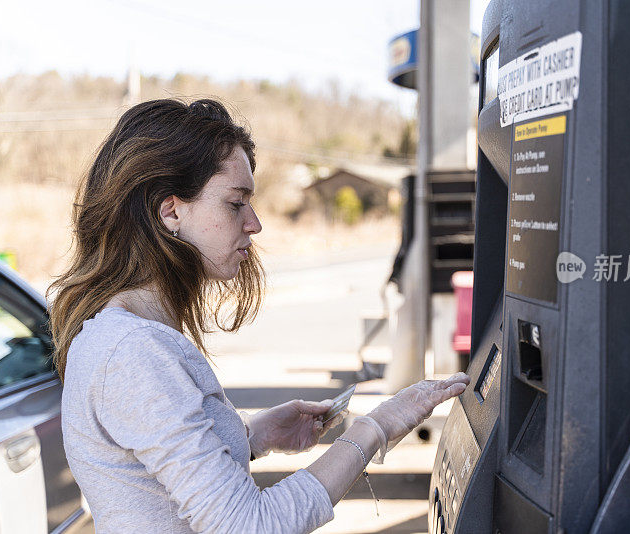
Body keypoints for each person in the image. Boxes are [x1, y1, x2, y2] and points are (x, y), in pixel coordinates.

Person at [48, 98, 469, 534]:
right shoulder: (132, 354)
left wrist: (252, 436)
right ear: (171, 211)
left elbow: (153, 474)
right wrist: (375, 429)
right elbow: (250, 525)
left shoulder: (128, 338)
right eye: (235, 203)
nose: (254, 223)